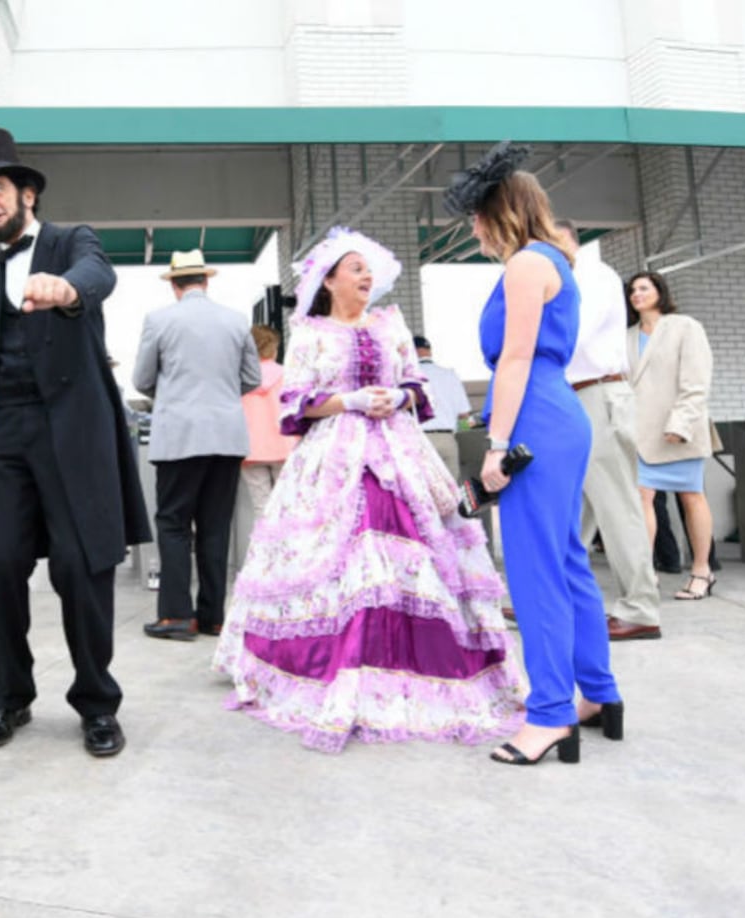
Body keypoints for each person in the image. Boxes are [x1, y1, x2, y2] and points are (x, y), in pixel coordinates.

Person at [209, 227, 525, 753]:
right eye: (353, 268)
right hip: (334, 454)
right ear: (329, 280)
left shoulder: (390, 324)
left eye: (367, 269)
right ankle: (343, 664)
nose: (364, 277)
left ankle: (417, 663)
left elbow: (416, 385)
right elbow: (297, 403)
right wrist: (349, 401)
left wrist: (397, 397)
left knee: (416, 549)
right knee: (342, 554)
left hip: (400, 449)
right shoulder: (309, 332)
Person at [0, 127, 150, 755]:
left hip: (70, 432)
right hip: (2, 431)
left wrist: (68, 287)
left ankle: (96, 703)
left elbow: (97, 273)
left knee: (81, 568)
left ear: (27, 192)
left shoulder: (70, 243)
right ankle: (10, 696)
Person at [447, 141, 622, 767]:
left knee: (534, 568)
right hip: (555, 414)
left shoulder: (525, 265)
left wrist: (496, 446)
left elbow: (516, 356)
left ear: (500, 211)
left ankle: (549, 714)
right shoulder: (555, 260)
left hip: (533, 421)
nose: (471, 227)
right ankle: (597, 694)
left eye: (475, 214)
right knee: (567, 560)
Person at [544, 220, 664, 638]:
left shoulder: (591, 276)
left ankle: (641, 608)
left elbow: (572, 337)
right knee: (572, 510)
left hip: (598, 396)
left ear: (568, 239)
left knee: (618, 506)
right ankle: (550, 600)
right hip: (576, 398)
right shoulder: (567, 278)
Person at [134, 249, 261, 641]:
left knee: (173, 523)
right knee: (215, 526)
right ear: (206, 280)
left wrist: (173, 395)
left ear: (174, 285)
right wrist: (221, 397)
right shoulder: (237, 321)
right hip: (227, 435)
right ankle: (213, 616)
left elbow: (142, 379)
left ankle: (176, 616)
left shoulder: (159, 320)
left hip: (180, 436)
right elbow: (252, 378)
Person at [626, 269, 718, 601]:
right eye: (633, 290)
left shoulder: (685, 327)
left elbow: (697, 381)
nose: (637, 294)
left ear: (660, 291)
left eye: (644, 288)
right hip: (639, 433)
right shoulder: (627, 336)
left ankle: (701, 571)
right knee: (642, 498)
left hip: (679, 429)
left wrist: (680, 424)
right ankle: (644, 576)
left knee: (691, 495)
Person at [240, 324, 293, 520]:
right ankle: (287, 549)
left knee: (261, 507)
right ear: (274, 347)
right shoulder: (288, 375)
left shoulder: (240, 379)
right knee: (286, 506)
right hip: (285, 447)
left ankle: (265, 548)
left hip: (251, 449)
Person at [413, 333, 472, 481]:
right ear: (429, 350)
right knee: (451, 494)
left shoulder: (408, 377)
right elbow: (464, 414)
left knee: (424, 493)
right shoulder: (449, 375)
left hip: (420, 440)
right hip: (447, 440)